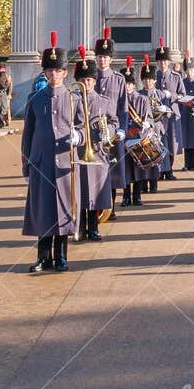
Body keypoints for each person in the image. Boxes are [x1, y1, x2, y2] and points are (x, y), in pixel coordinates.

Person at [21, 32, 80, 273]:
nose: (53, 74)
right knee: (44, 209)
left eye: (58, 71)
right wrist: (26, 165)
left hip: (65, 161)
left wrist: (80, 137)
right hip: (42, 162)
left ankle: (61, 256)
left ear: (65, 73)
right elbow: (28, 134)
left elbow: (86, 128)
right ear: (45, 72)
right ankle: (43, 256)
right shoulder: (35, 99)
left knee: (63, 209)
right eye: (50, 70)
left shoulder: (75, 98)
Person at [72, 47, 114, 243]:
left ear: (94, 81)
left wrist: (111, 132)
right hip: (79, 152)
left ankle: (94, 227)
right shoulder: (72, 101)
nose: (85, 84)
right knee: (80, 192)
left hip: (98, 152)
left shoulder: (103, 102)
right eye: (82, 80)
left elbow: (113, 122)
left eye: (89, 80)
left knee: (95, 193)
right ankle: (80, 227)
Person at [92, 29, 127, 221]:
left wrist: (122, 129)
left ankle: (110, 207)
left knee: (112, 172)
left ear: (111, 59)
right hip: (95, 133)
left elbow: (123, 108)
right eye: (99, 57)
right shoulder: (90, 78)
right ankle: (96, 208)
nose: (102, 60)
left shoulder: (119, 79)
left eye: (105, 57)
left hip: (112, 132)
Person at [119, 56, 162, 207]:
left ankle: (137, 197)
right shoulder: (119, 100)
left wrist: (146, 124)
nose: (128, 87)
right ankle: (125, 197)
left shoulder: (142, 99)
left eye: (130, 84)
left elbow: (150, 118)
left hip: (137, 137)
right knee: (126, 170)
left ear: (134, 84)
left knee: (138, 169)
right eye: (125, 84)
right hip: (124, 139)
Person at [154, 39, 185, 179]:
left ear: (169, 62)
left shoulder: (176, 77)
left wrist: (171, 95)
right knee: (159, 142)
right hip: (157, 116)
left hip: (172, 114)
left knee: (172, 144)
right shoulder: (153, 76)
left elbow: (182, 95)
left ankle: (170, 170)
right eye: (160, 61)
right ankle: (160, 170)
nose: (162, 63)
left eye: (165, 61)